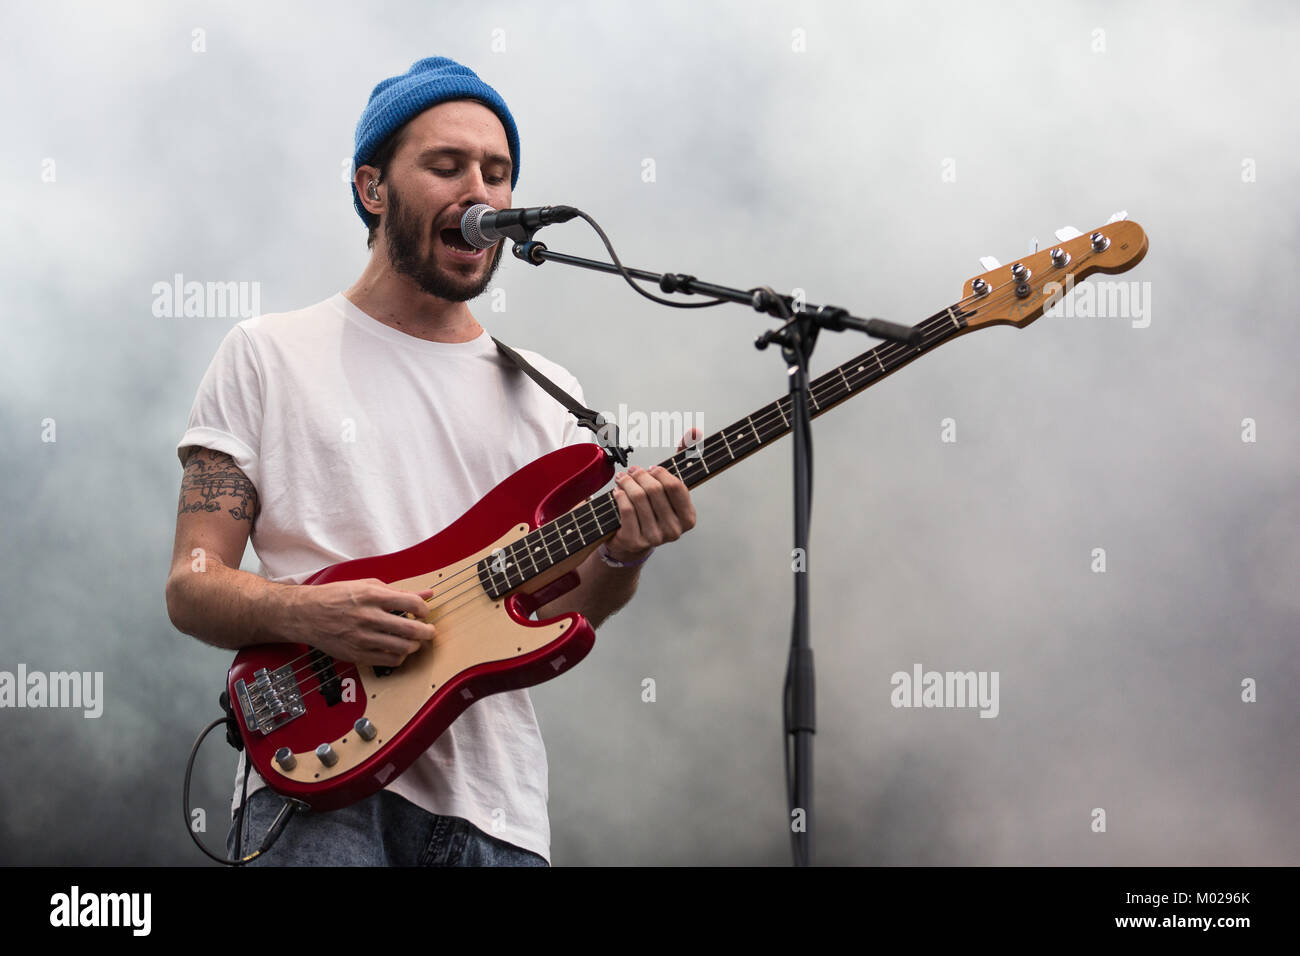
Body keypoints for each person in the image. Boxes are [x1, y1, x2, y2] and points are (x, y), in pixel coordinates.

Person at [165, 56, 698, 867]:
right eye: (446, 166)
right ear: (373, 188)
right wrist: (307, 614)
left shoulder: (553, 398)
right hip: (319, 789)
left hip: (498, 818)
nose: (480, 192)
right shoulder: (267, 354)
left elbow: (572, 609)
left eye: (497, 171)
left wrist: (626, 549)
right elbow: (192, 585)